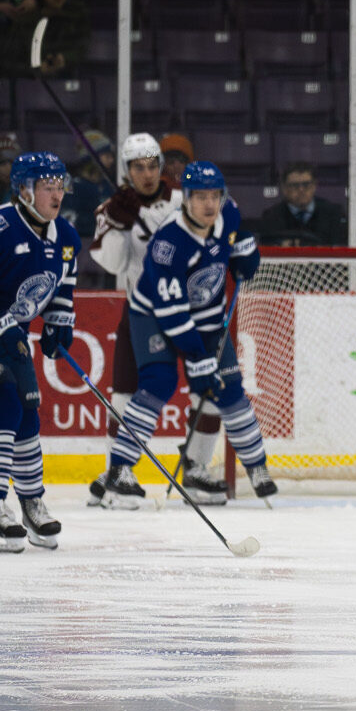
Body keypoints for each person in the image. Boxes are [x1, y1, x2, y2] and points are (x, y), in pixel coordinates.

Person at [91, 161, 276, 509]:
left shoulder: (229, 214)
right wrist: (198, 357)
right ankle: (119, 468)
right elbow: (172, 312)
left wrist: (245, 253)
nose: (209, 204)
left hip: (207, 318)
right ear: (186, 199)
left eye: (215, 196)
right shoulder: (169, 244)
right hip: (154, 316)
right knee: (159, 383)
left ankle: (255, 466)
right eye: (201, 197)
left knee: (229, 388)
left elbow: (235, 246)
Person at [88, 133, 229, 505]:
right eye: (139, 167)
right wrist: (120, 224)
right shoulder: (109, 210)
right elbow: (113, 264)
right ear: (127, 170)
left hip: (193, 313)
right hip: (144, 314)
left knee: (209, 390)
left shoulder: (186, 199)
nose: (147, 174)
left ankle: (196, 468)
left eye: (153, 166)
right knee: (125, 396)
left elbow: (217, 236)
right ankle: (118, 472)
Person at [0, 152, 79, 552]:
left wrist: (58, 324)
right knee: (3, 402)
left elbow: (63, 287)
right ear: (23, 190)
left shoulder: (66, 236)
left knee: (28, 407)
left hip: (11, 334)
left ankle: (32, 502)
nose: (57, 195)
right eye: (47, 187)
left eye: (60, 186)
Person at [0, 0, 87, 79]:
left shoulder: (76, 15)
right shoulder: (26, 21)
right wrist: (35, 71)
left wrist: (64, 58)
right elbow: (8, 63)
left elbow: (83, 48)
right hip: (29, 84)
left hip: (67, 81)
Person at [254, 164, 349, 246]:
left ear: (314, 186)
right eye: (295, 185)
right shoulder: (271, 216)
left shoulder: (333, 213)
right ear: (284, 188)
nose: (301, 190)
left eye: (306, 184)